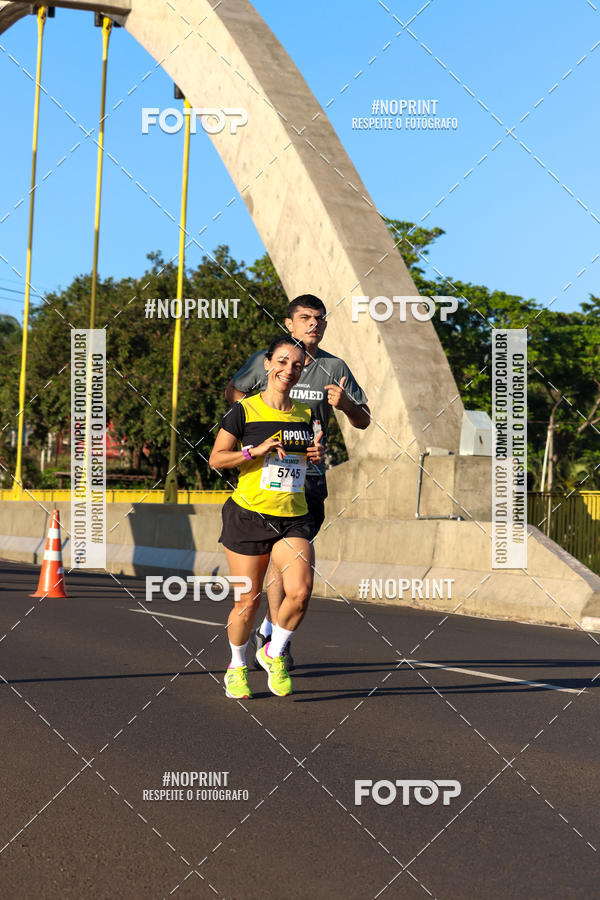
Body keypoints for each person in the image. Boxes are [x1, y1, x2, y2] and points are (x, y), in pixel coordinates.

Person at [225, 294, 370, 669]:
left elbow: (364, 419)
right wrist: (252, 438)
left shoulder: (333, 366)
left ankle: (273, 632)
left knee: (288, 565)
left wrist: (346, 405)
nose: (313, 324)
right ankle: (273, 640)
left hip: (309, 479)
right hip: (262, 480)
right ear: (289, 323)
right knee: (275, 561)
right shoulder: (268, 361)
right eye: (305, 318)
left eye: (320, 319)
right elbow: (235, 394)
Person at [209, 335, 325, 699]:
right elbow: (216, 460)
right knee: (248, 602)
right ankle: (236, 665)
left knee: (301, 591)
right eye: (282, 362)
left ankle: (274, 651)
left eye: (296, 364)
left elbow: (302, 458)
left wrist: (315, 454)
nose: (288, 370)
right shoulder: (244, 411)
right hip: (248, 515)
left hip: (292, 516)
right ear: (267, 364)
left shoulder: (307, 413)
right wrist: (253, 452)